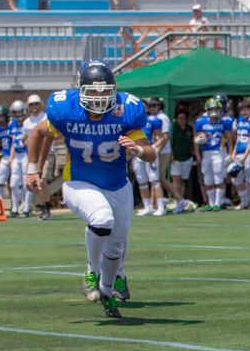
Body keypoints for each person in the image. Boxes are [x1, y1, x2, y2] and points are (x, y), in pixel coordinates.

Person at [25, 60, 154, 317]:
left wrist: (137, 149)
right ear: (81, 89)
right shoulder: (66, 108)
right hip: (78, 180)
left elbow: (150, 153)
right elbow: (39, 134)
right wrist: (32, 169)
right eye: (93, 92)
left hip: (118, 185)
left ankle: (107, 289)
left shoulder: (126, 109)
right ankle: (91, 272)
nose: (98, 98)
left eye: (104, 91)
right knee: (102, 218)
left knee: (117, 245)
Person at [193, 96, 231, 210]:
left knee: (218, 177)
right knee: (207, 179)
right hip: (206, 152)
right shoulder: (200, 121)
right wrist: (197, 153)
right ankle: (210, 202)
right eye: (211, 109)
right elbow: (195, 138)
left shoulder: (225, 121)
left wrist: (231, 153)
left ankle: (218, 203)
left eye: (216, 108)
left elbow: (230, 138)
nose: (213, 111)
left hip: (219, 151)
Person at [168, 108, 197, 213]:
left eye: (183, 118)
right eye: (179, 118)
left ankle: (181, 201)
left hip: (187, 157)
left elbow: (193, 142)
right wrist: (170, 155)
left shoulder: (190, 128)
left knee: (183, 180)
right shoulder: (174, 128)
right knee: (176, 180)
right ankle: (177, 201)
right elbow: (170, 142)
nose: (182, 120)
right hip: (176, 158)